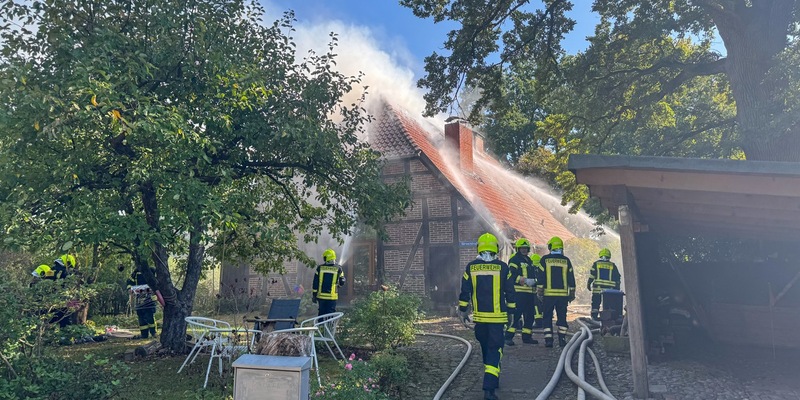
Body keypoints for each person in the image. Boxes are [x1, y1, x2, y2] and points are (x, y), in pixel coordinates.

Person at [458, 233, 516, 400]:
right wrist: (512, 313)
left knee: (486, 348)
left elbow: (465, 291)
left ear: (480, 248)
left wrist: (463, 310)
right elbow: (510, 293)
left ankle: (492, 376)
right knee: (494, 350)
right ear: (495, 249)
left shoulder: (471, 267)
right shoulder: (504, 268)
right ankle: (489, 389)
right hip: (498, 320)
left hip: (480, 320)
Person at [536, 236, 575, 348]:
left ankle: (548, 340)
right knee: (562, 317)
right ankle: (562, 339)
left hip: (549, 295)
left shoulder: (544, 260)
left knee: (547, 316)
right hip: (562, 296)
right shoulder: (566, 261)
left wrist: (540, 292)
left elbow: (541, 277)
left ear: (550, 247)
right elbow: (571, 278)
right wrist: (571, 294)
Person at [505, 238, 538, 346]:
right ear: (518, 249)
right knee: (517, 315)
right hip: (519, 293)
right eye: (522, 248)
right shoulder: (514, 260)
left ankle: (527, 337)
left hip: (530, 293)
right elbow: (511, 275)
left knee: (530, 316)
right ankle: (508, 337)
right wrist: (523, 280)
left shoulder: (529, 261)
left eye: (525, 248)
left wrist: (535, 282)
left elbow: (533, 275)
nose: (524, 250)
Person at [587, 248, 621, 320]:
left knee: (596, 303)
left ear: (601, 255)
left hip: (597, 289)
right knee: (609, 305)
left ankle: (594, 317)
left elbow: (592, 275)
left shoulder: (596, 264)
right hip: (609, 290)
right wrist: (617, 288)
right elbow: (617, 278)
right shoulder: (613, 265)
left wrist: (589, 283)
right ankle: (608, 318)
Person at [312, 248, 346, 316]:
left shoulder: (320, 268)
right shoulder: (338, 268)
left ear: (328, 257)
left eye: (324, 257)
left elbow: (315, 283)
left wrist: (314, 295)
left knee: (321, 314)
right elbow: (342, 281)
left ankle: (320, 326)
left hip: (321, 297)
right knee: (330, 315)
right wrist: (339, 286)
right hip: (332, 297)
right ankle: (330, 326)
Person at [127, 267, 158, 339]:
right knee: (141, 317)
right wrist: (129, 289)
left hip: (150, 298)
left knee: (149, 316)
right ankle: (144, 335)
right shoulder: (135, 272)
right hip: (139, 299)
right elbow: (129, 282)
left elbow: (157, 281)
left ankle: (153, 333)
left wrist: (155, 289)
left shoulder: (151, 270)